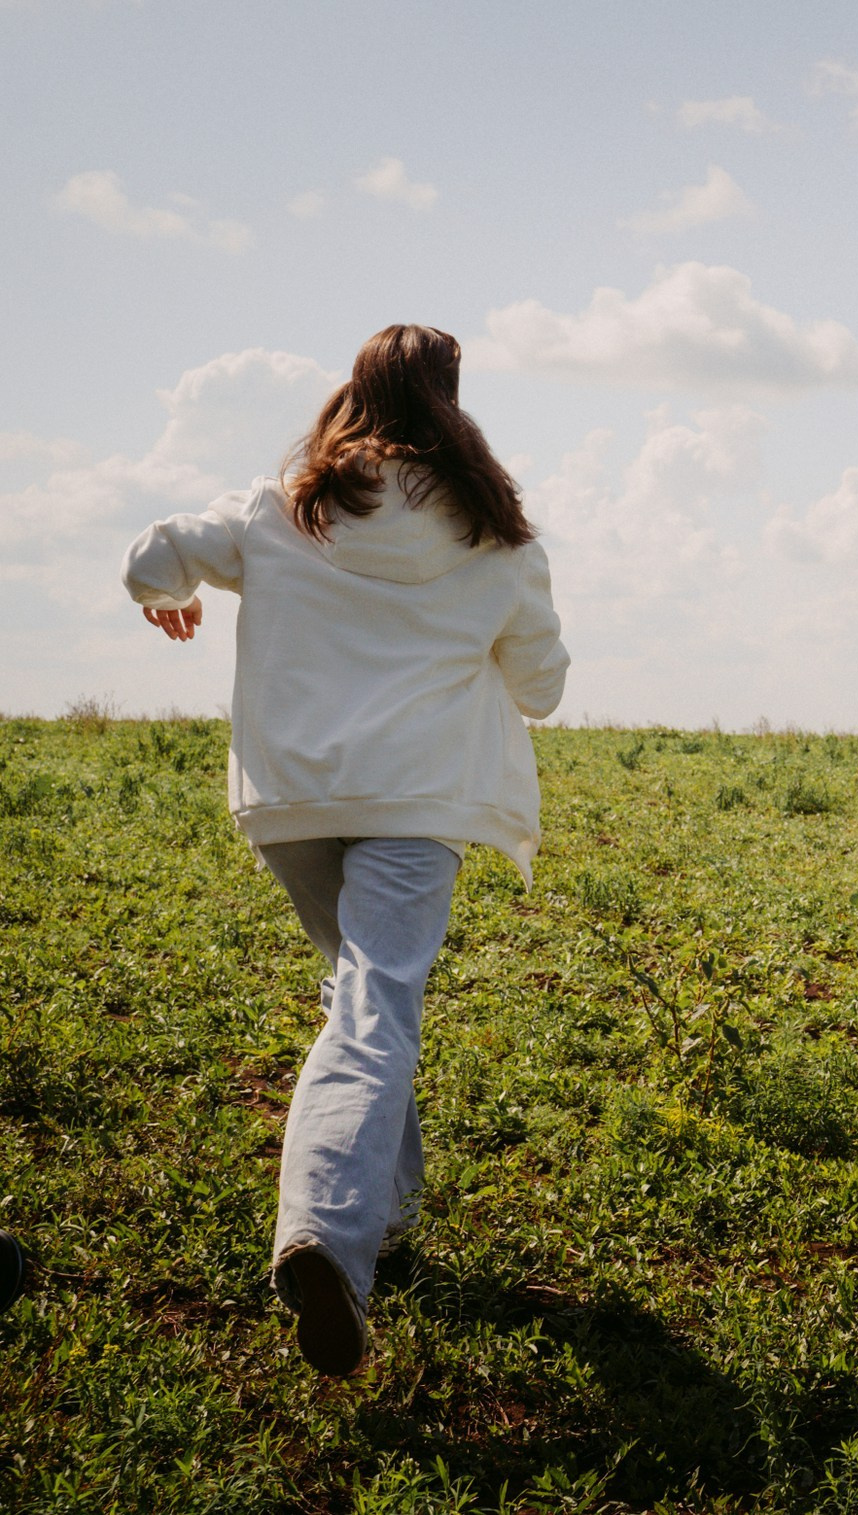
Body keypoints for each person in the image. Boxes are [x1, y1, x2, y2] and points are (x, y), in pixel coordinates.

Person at [122, 324, 569, 1374]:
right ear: (454, 407)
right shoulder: (500, 541)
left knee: (363, 996)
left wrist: (171, 598)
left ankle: (391, 1214)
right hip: (417, 803)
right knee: (376, 1009)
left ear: (351, 393)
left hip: (292, 801)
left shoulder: (280, 509)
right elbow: (542, 690)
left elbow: (152, 556)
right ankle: (325, 1231)